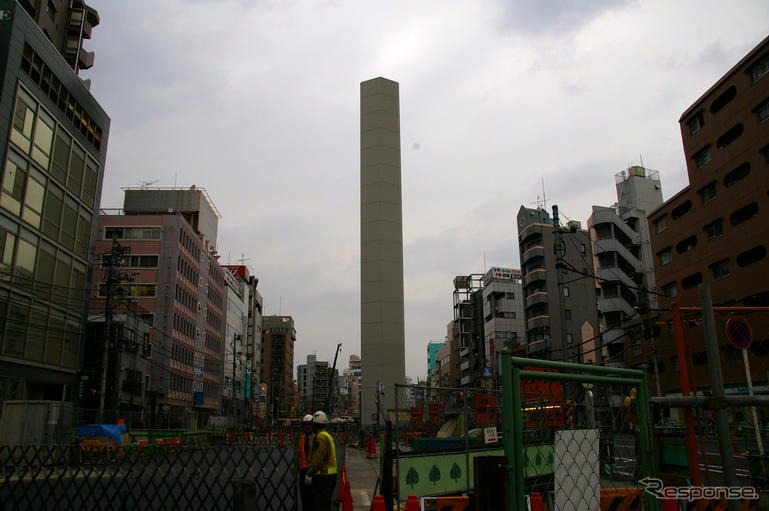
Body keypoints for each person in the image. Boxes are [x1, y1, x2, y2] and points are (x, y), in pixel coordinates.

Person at [305, 410, 337, 511]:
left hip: (323, 477)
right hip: (329, 477)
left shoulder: (321, 438)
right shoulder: (327, 436)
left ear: (315, 424)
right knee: (325, 504)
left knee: (320, 505)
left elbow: (318, 459)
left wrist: (310, 473)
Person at [298, 414, 315, 511]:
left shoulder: (317, 438)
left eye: (309, 425)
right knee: (304, 499)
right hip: (303, 471)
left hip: (313, 471)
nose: (307, 427)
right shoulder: (301, 438)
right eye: (305, 425)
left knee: (313, 499)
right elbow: (299, 453)